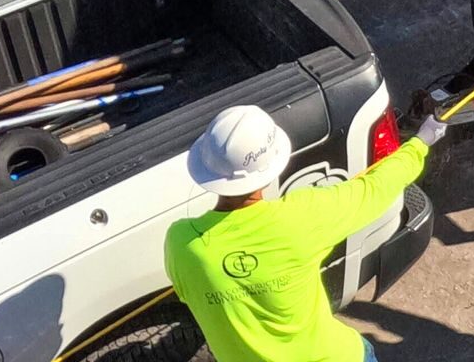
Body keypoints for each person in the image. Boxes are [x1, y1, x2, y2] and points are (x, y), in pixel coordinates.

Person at [165, 105, 448, 362]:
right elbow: (376, 188)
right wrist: (420, 143)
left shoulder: (180, 244)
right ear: (270, 165)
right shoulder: (302, 216)